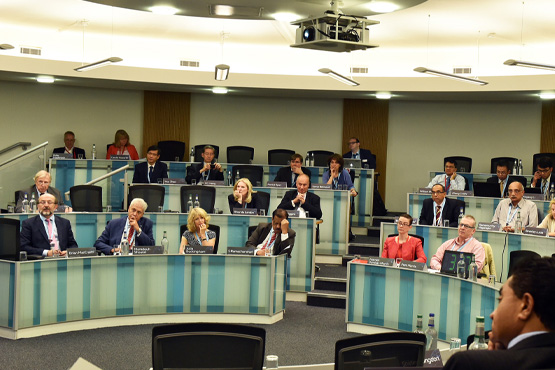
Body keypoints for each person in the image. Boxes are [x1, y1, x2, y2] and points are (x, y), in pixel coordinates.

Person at [443, 257, 555, 370]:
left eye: (500, 299)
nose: (492, 314)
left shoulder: (468, 364)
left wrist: (492, 359)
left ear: (525, 306)